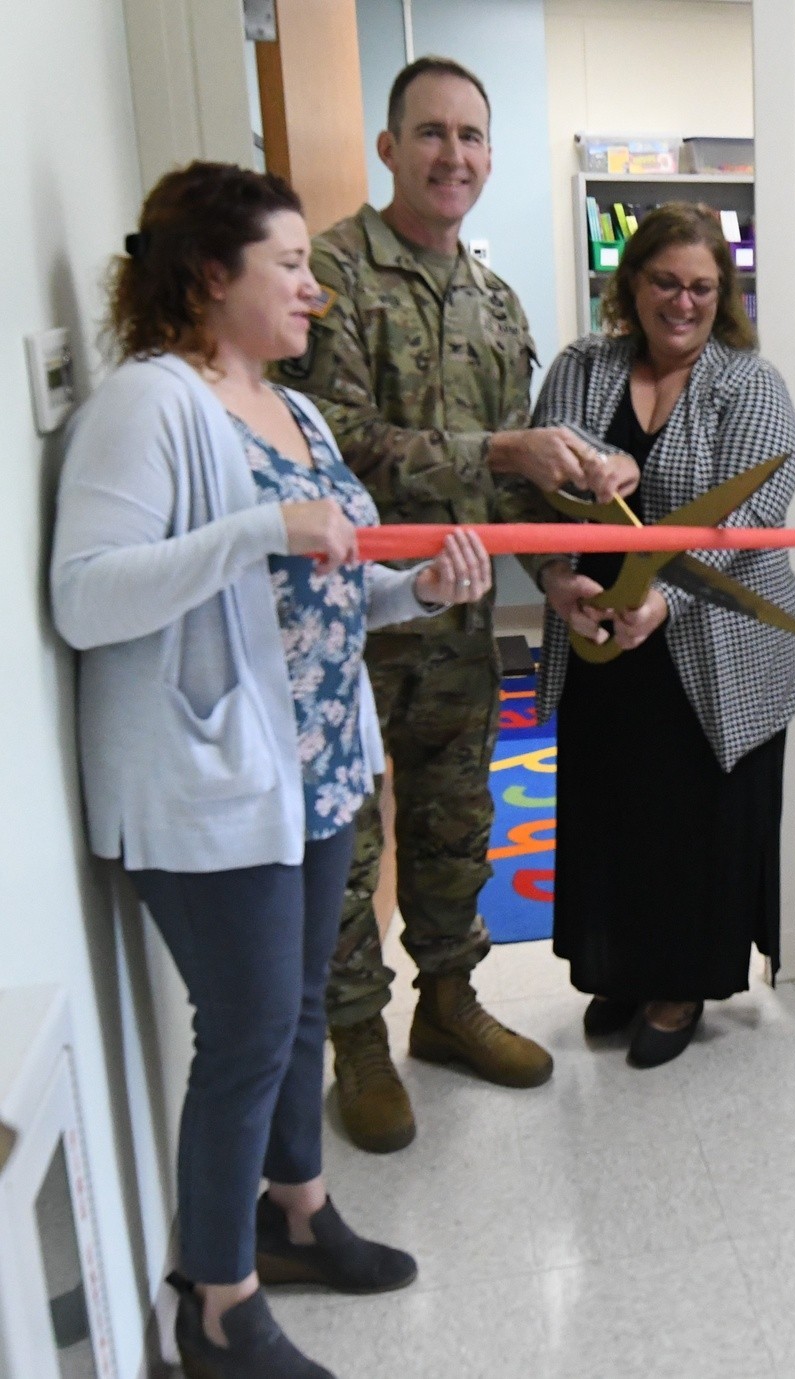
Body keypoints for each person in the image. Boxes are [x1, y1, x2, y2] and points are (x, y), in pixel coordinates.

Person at [51, 163, 493, 1379]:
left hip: (319, 767)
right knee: (246, 1031)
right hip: (211, 785)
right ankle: (216, 1298)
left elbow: (329, 582)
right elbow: (85, 598)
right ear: (210, 276)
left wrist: (418, 587)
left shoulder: (289, 409)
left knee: (299, 1010)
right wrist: (258, 527)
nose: (317, 289)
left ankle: (296, 1211)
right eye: (290, 266)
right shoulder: (148, 407)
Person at [282, 56, 634, 1151]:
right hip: (338, 629)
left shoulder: (493, 299)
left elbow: (507, 488)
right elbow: (328, 445)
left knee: (452, 826)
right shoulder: (325, 277)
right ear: (388, 148)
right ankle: (357, 1040)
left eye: (473, 137)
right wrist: (500, 446)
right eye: (431, 134)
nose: (454, 156)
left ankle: (446, 1004)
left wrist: (565, 564)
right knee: (342, 841)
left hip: (458, 627)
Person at [534, 204, 795, 1068]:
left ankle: (681, 981)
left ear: (722, 294)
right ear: (631, 284)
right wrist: (553, 578)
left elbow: (750, 522)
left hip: (711, 651)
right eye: (664, 282)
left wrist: (665, 601)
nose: (681, 302)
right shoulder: (580, 368)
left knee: (694, 820)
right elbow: (535, 497)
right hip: (599, 641)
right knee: (612, 809)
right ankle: (620, 967)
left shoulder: (748, 382)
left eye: (701, 287)